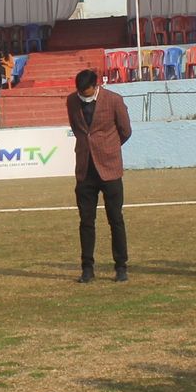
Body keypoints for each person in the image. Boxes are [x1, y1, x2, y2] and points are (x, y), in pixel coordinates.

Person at [66, 68, 131, 283]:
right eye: (80, 92)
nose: (83, 96)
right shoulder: (71, 101)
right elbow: (77, 129)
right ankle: (87, 268)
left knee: (116, 219)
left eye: (86, 91)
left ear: (96, 86)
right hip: (85, 171)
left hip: (110, 169)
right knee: (86, 221)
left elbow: (125, 130)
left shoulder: (114, 100)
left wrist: (109, 148)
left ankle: (121, 266)